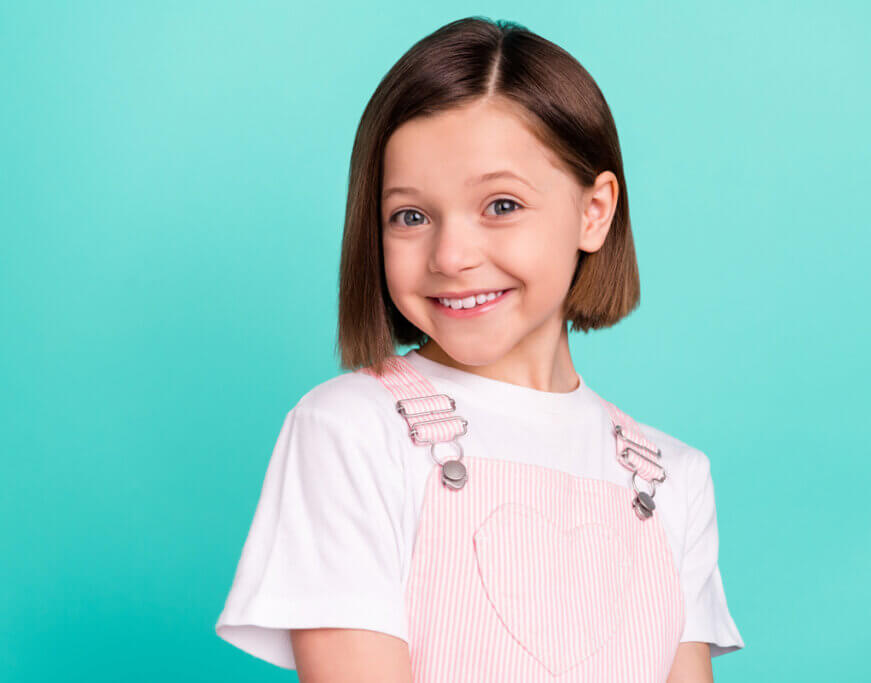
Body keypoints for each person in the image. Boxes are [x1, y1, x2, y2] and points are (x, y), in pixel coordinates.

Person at [214, 16, 744, 683]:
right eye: (410, 215)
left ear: (594, 211)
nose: (451, 256)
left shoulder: (671, 479)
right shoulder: (349, 431)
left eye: (500, 204)